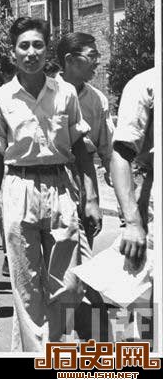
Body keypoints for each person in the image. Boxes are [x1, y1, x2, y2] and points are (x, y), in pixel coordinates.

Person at [0, 17, 100, 352]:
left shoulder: (65, 93)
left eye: (37, 45)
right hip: (18, 187)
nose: (31, 52)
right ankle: (38, 355)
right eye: (24, 46)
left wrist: (90, 197)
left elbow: (81, 146)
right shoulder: (0, 98)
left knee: (68, 284)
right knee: (26, 284)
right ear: (13, 52)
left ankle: (52, 346)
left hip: (61, 186)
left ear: (46, 50)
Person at [56, 32, 114, 240]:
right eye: (92, 55)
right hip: (56, 175)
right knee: (59, 247)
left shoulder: (97, 100)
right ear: (70, 60)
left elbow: (107, 148)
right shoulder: (48, 94)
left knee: (86, 242)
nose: (97, 61)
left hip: (86, 176)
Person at [110, 68, 154, 339]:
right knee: (132, 298)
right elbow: (121, 154)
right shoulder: (145, 84)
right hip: (155, 201)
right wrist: (133, 222)